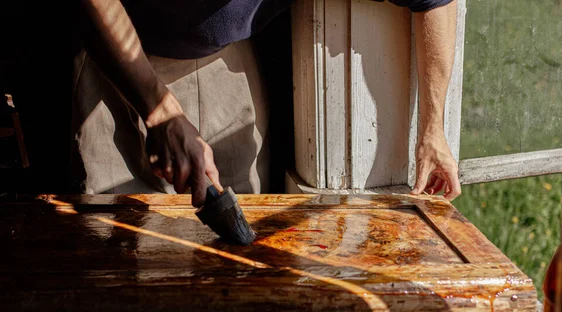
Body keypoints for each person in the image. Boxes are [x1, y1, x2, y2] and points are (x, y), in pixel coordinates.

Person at [75, 0, 461, 208]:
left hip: (224, 54)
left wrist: (433, 130)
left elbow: (435, 0)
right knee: (119, 233)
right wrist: (159, 110)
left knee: (240, 220)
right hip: (115, 55)